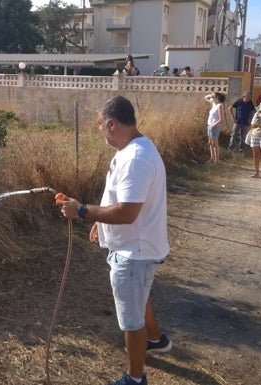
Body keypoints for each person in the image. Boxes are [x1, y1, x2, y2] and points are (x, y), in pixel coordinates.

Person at [57, 95, 172, 385]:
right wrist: (99, 221)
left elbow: (128, 212)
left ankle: (135, 379)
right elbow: (120, 199)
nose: (99, 131)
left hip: (134, 252)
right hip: (137, 247)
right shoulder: (132, 149)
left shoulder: (136, 158)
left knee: (131, 321)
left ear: (111, 123)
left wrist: (81, 210)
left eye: (99, 125)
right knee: (139, 297)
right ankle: (156, 340)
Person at [204, 92, 227, 163]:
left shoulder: (220, 106)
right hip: (209, 125)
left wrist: (214, 125)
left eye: (213, 97)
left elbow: (221, 119)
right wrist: (212, 95)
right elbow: (205, 97)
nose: (212, 98)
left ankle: (217, 160)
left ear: (217, 98)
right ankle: (212, 158)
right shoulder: (214, 103)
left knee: (215, 143)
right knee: (210, 142)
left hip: (215, 126)